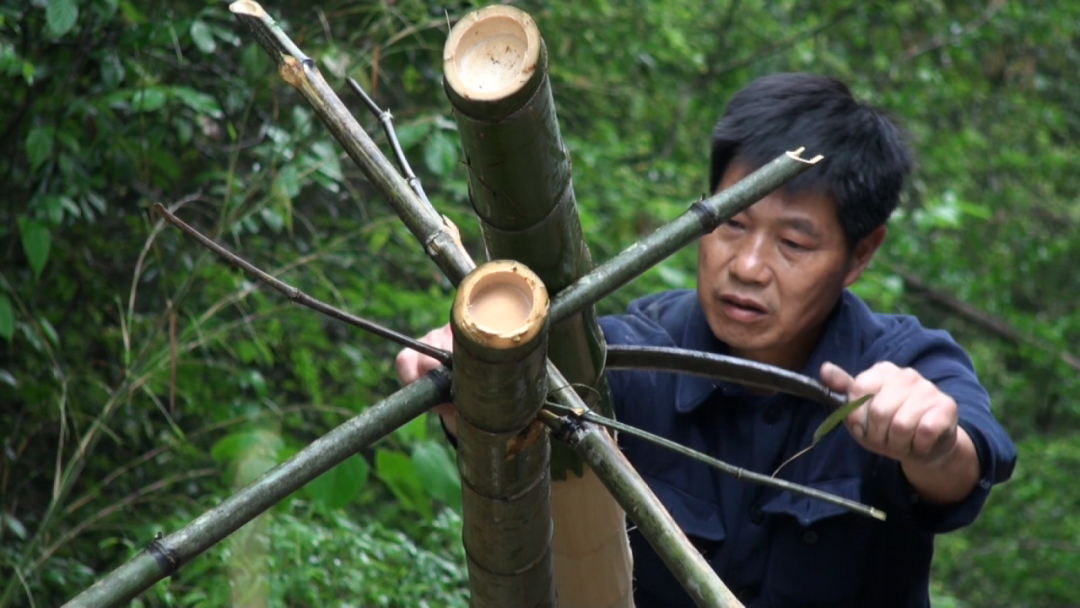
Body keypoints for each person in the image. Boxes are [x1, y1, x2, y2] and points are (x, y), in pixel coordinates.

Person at [395, 72, 1017, 607]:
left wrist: (929, 445)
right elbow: (531, 417)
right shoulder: (625, 358)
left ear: (861, 254)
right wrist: (471, 389)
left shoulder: (903, 362)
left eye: (794, 243)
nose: (746, 265)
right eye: (731, 223)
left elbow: (966, 466)